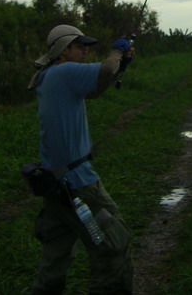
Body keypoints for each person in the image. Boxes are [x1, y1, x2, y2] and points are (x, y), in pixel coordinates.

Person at [28, 25, 134, 295]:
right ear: (63, 51)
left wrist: (121, 64)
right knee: (113, 244)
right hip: (78, 185)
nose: (85, 51)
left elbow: (95, 90)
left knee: (55, 256)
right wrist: (116, 51)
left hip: (55, 185)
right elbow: (106, 69)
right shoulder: (64, 72)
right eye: (80, 47)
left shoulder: (50, 76)